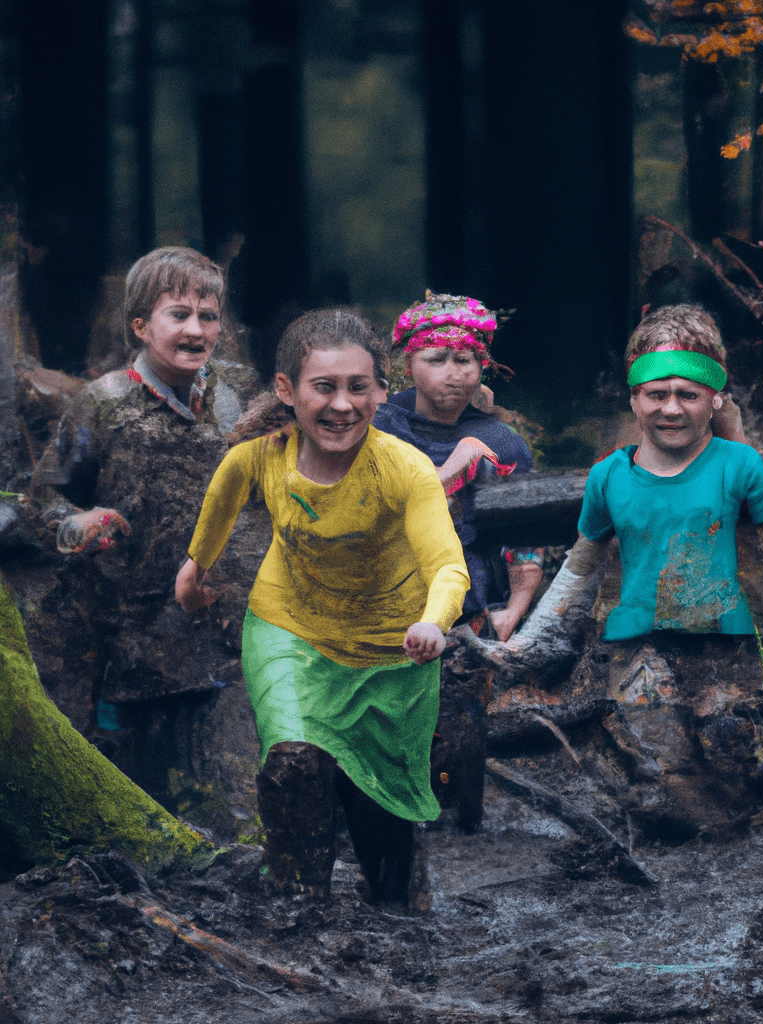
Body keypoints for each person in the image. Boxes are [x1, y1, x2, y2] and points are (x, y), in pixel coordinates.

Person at [176, 308, 470, 903]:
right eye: (324, 387)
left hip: (393, 651)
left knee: (382, 823)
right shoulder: (258, 457)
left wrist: (433, 623)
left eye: (358, 387)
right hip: (291, 631)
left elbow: (447, 565)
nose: (342, 405)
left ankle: (392, 907)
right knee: (294, 760)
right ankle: (296, 904)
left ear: (382, 390)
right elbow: (221, 503)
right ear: (287, 390)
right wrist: (192, 573)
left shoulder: (404, 468)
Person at [520, 303, 763, 690]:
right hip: (632, 648)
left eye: (688, 395)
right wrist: (527, 645)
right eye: (657, 394)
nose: (671, 409)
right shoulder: (608, 474)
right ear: (635, 399)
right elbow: (580, 569)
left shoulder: (738, 463)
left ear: (715, 399)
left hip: (727, 646)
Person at [16, 247, 263, 793]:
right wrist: (77, 524)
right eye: (179, 314)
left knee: (221, 770)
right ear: (141, 327)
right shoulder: (104, 404)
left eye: (209, 316)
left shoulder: (234, 400)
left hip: (218, 618)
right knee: (143, 774)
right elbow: (42, 501)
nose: (196, 329)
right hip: (127, 625)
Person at [373, 292, 542, 641]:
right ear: (409, 366)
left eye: (465, 360)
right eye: (436, 359)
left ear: (482, 367)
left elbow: (525, 536)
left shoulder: (503, 442)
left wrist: (514, 611)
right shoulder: (378, 427)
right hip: (383, 606)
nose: (453, 374)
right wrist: (453, 469)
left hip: (476, 613)